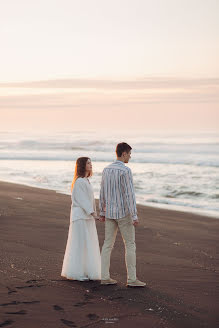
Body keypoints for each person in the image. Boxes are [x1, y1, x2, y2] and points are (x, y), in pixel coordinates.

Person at [99, 142, 146, 287]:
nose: (130, 157)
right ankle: (132, 279)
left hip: (110, 213)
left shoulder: (106, 170)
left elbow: (102, 192)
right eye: (129, 154)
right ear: (124, 153)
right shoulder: (125, 171)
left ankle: (105, 277)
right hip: (124, 214)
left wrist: (102, 211)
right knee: (130, 245)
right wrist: (134, 215)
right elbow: (129, 195)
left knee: (107, 245)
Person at [61, 157, 101, 281]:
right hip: (80, 217)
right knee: (79, 244)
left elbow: (89, 200)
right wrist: (92, 213)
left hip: (87, 217)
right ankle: (76, 273)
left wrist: (93, 212)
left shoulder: (86, 180)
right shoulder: (79, 181)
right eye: (88, 163)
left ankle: (86, 271)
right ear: (82, 165)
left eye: (91, 163)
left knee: (87, 244)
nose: (91, 165)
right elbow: (81, 200)